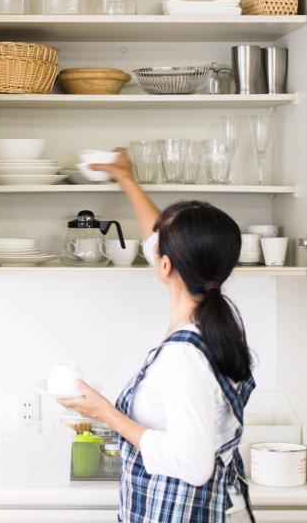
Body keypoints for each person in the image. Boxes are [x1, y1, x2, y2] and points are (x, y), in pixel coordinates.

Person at [59, 149, 256, 523]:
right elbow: (159, 244)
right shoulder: (216, 331)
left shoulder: (183, 356)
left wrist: (105, 413)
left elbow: (193, 465)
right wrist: (127, 179)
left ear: (166, 266)